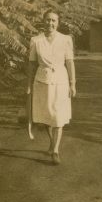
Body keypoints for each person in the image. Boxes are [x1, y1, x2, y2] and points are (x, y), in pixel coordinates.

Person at [27, 10, 76, 164]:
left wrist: (72, 83)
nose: (50, 23)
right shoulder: (36, 40)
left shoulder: (65, 39)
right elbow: (31, 64)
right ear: (43, 21)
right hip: (42, 82)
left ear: (58, 22)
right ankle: (51, 143)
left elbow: (69, 62)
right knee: (47, 117)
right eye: (48, 20)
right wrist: (28, 85)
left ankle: (55, 150)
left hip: (61, 82)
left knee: (58, 117)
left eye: (54, 20)